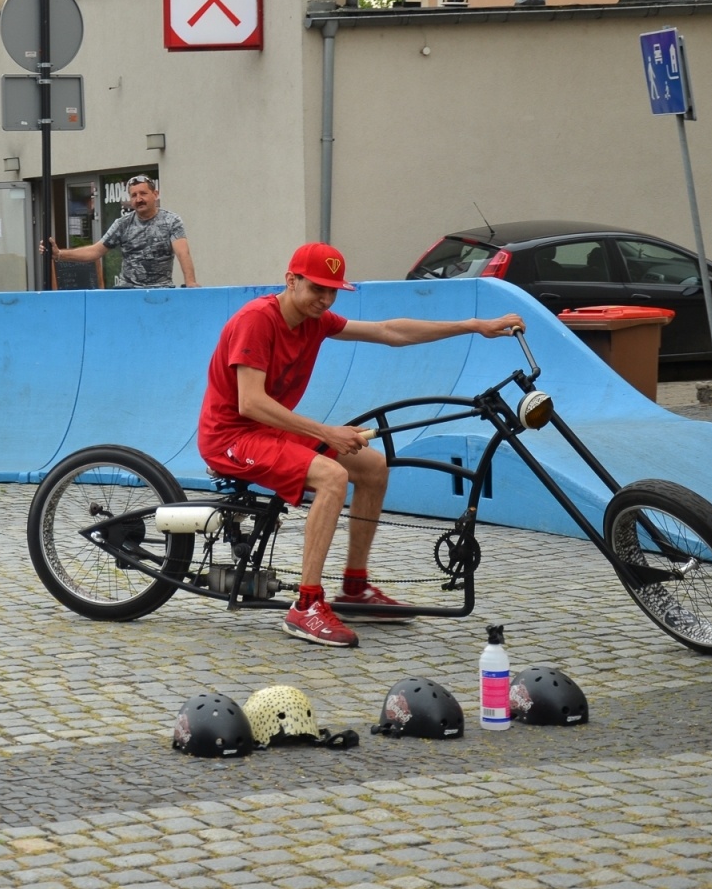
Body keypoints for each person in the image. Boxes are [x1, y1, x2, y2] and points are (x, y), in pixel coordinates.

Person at [196, 242, 523, 647]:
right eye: (318, 288)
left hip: (267, 431)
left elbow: (389, 331)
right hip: (232, 436)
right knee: (332, 476)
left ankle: (354, 588)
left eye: (333, 290)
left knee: (372, 467)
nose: (326, 298)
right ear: (291, 280)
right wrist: (325, 432)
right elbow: (251, 402)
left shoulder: (315, 321)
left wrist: (472, 325)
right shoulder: (257, 320)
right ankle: (306, 605)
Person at [46, 174, 200, 289]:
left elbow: (182, 253)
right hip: (127, 292)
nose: (138, 199)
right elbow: (95, 251)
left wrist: (191, 283)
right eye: (134, 195)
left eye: (143, 193)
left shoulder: (171, 221)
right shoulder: (122, 224)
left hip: (161, 291)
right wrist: (59, 254)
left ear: (155, 194)